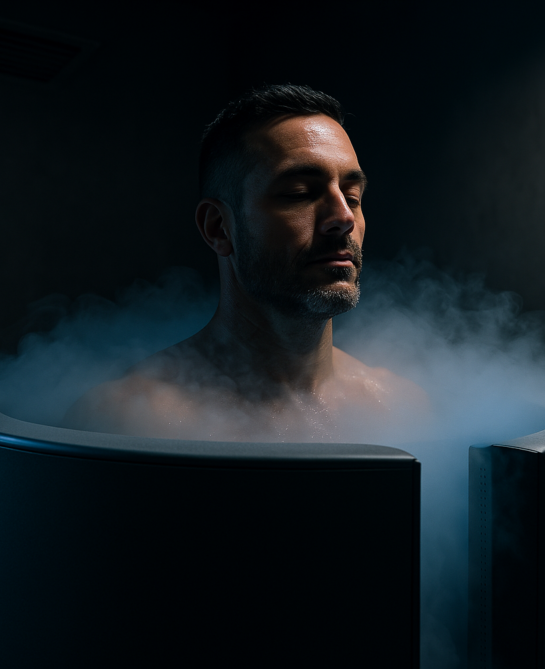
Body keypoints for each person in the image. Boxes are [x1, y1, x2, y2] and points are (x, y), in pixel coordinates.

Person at [63, 84, 429, 441]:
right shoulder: (124, 422)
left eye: (352, 196)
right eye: (299, 194)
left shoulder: (402, 409)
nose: (343, 217)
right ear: (218, 227)